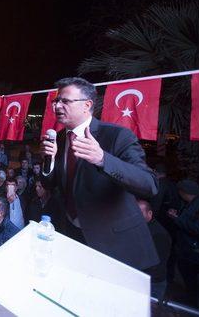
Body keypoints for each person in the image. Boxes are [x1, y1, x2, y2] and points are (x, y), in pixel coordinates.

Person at [41, 77, 159, 271]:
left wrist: (103, 159)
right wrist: (50, 161)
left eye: (65, 101)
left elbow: (149, 184)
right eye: (56, 101)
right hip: (71, 235)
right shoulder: (60, 138)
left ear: (87, 105)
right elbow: (50, 184)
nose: (57, 106)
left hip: (113, 244)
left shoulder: (117, 135)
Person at [137, 199, 171, 300]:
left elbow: (157, 265)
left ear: (149, 213)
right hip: (144, 280)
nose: (136, 215)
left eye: (140, 212)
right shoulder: (141, 227)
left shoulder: (159, 235)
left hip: (153, 285)